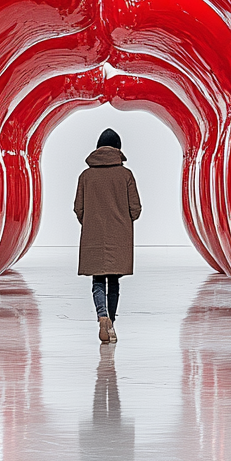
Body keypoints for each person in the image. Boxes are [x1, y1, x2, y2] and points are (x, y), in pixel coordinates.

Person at [74, 128, 142, 342]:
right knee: (113, 282)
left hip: (94, 235)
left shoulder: (85, 176)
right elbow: (136, 209)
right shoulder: (126, 175)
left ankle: (102, 316)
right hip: (118, 235)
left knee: (97, 281)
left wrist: (91, 222)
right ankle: (110, 322)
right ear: (118, 148)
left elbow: (79, 208)